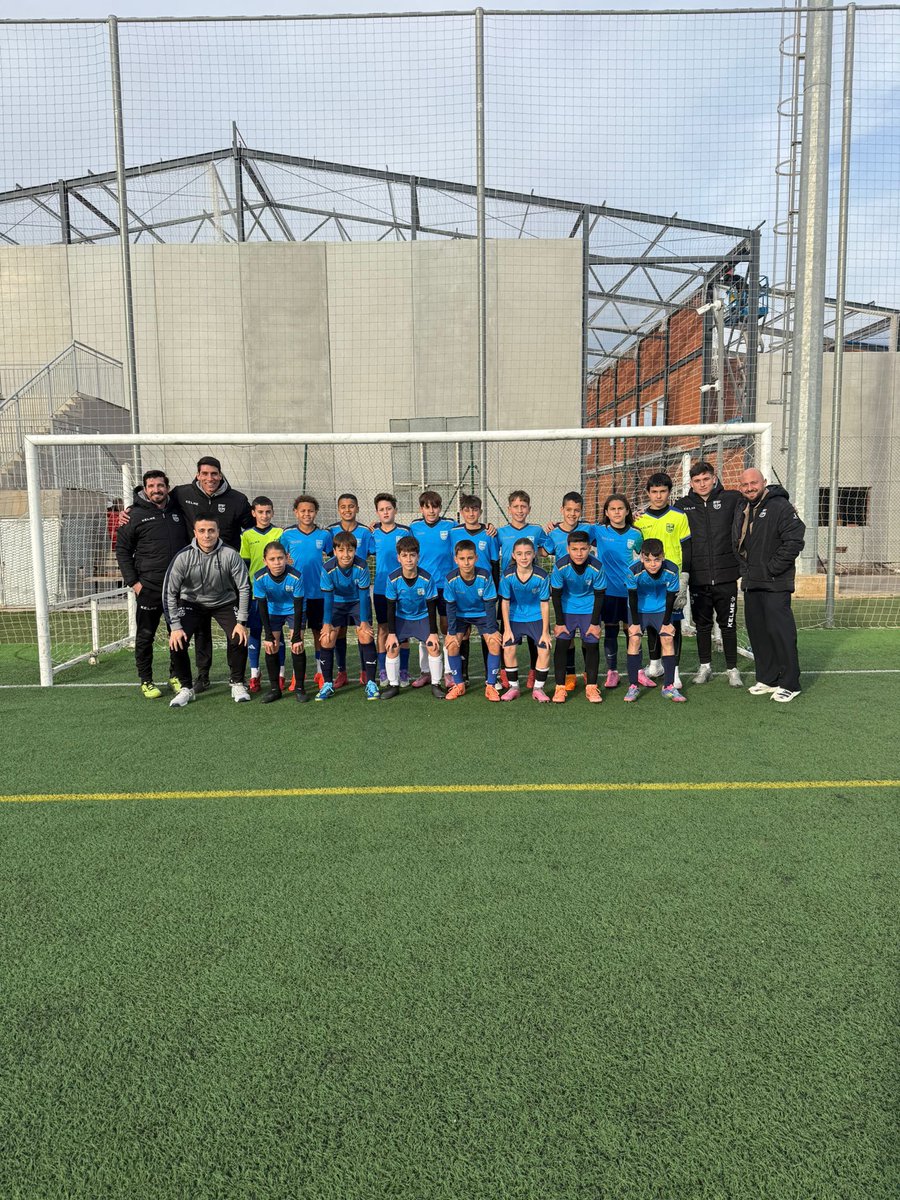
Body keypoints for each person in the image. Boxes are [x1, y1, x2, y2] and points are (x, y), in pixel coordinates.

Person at [114, 469, 189, 698]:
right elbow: (122, 550)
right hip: (149, 588)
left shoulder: (179, 511)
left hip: (177, 589)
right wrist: (134, 584)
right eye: (151, 486)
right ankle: (146, 680)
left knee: (177, 634)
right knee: (145, 635)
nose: (156, 490)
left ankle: (176, 675)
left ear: (167, 487)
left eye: (160, 485)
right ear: (145, 489)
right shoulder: (134, 515)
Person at [733, 468, 805, 702]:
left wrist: (772, 568)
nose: (749, 487)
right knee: (758, 632)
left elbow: (795, 539)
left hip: (775, 582)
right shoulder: (742, 507)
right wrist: (746, 570)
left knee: (780, 632)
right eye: (745, 484)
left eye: (754, 483)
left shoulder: (779, 506)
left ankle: (790, 683)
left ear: (764, 482)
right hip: (752, 582)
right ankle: (768, 678)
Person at [164, 517, 251, 707]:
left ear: (218, 532)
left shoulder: (230, 554)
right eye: (202, 530)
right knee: (177, 639)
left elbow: (244, 587)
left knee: (239, 636)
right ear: (195, 533)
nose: (207, 535)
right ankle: (186, 688)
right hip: (192, 603)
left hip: (224, 602)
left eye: (211, 530)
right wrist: (175, 626)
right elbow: (169, 592)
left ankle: (237, 682)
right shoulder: (183, 556)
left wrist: (241, 621)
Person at [679, 461, 743, 688]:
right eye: (697, 481)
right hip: (698, 577)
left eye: (706, 479)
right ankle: (705, 666)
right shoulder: (682, 505)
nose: (702, 484)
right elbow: (663, 518)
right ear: (691, 483)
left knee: (728, 624)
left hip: (726, 575)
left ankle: (732, 669)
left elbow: (759, 497)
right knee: (702, 625)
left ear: (714, 478)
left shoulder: (732, 499)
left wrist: (782, 499)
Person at [634, 473, 691, 689]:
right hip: (648, 580)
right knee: (650, 623)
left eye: (663, 491)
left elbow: (687, 547)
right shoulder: (640, 520)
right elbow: (636, 548)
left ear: (669, 492)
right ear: (648, 493)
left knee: (672, 624)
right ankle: (655, 664)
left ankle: (673, 671)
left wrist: (684, 575)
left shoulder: (679, 516)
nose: (658, 496)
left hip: (672, 579)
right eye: (654, 492)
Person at [541, 491, 596, 692]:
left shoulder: (588, 529)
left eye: (577, 510)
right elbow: (543, 551)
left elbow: (609, 531)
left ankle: (589, 675)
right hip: (564, 594)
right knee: (567, 636)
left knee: (587, 634)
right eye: (569, 510)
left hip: (586, 591)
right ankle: (570, 674)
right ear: (562, 510)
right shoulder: (553, 533)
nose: (572, 514)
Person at [315, 531, 379, 701]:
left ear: (355, 551)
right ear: (334, 551)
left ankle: (371, 682)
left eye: (350, 550)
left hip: (358, 601)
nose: (346, 555)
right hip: (336, 603)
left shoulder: (362, 566)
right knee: (326, 638)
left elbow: (365, 596)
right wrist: (327, 623)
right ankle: (327, 684)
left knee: (366, 635)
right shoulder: (328, 568)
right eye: (341, 550)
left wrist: (364, 622)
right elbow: (328, 598)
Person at [280, 495, 333, 692]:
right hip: (296, 595)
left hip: (318, 593)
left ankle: (320, 672)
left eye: (310, 511)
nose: (307, 514)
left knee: (320, 634)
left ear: (316, 512)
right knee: (297, 635)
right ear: (296, 512)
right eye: (303, 511)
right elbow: (279, 557)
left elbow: (332, 556)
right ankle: (297, 676)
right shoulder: (288, 535)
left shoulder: (324, 535)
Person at [382, 535, 444, 700]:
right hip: (401, 617)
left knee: (433, 646)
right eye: (404, 555)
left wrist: (433, 632)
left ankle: (436, 684)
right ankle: (393, 685)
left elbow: (432, 607)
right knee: (392, 647)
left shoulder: (427, 578)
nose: (408, 559)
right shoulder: (392, 579)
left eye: (412, 555)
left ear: (418, 556)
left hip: (422, 617)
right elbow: (390, 606)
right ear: (398, 558)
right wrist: (392, 633)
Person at [624, 539, 685, 703]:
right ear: (642, 557)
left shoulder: (672, 570)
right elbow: (632, 596)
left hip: (661, 609)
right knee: (634, 639)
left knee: (667, 638)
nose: (653, 564)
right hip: (638, 609)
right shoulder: (632, 570)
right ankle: (633, 686)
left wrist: (667, 622)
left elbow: (671, 597)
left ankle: (669, 687)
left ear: (663, 557)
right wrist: (635, 624)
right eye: (648, 559)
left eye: (657, 559)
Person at [549, 530, 606, 704]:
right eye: (575, 549)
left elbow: (600, 595)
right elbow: (556, 595)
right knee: (562, 643)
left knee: (591, 643)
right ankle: (560, 687)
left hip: (589, 608)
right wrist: (559, 623)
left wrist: (595, 623)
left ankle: (591, 686)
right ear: (568, 549)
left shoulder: (596, 566)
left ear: (589, 548)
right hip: (567, 608)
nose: (579, 553)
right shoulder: (560, 566)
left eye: (583, 549)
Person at [497, 489, 546, 689]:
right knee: (506, 633)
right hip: (509, 588)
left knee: (535, 634)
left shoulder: (536, 530)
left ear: (529, 509)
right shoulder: (499, 532)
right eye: (516, 507)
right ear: (509, 509)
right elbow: (493, 556)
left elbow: (547, 548)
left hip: (531, 588)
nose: (519, 510)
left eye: (523, 506)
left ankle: (534, 672)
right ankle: (504, 674)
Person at [593, 493, 643, 689]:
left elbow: (641, 555)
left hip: (630, 590)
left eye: (620, 508)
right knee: (611, 629)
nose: (616, 512)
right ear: (606, 512)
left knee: (632, 631)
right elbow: (576, 530)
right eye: (612, 509)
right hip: (609, 590)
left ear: (627, 511)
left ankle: (637, 670)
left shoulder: (636, 534)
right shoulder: (599, 531)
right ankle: (612, 672)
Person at [442, 540, 502, 702]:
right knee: (452, 644)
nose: (466, 562)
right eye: (462, 558)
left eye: (470, 558)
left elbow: (490, 604)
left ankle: (490, 685)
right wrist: (451, 632)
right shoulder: (450, 579)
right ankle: (459, 684)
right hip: (461, 615)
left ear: (476, 558)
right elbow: (451, 608)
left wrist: (492, 629)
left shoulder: (485, 576)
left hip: (482, 614)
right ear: (456, 560)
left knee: (495, 642)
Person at [328, 493, 376, 689]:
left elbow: (375, 551)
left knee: (363, 631)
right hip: (338, 595)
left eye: (351, 506)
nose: (347, 510)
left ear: (357, 508)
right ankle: (342, 671)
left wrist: (378, 528)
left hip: (359, 594)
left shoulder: (366, 532)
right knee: (337, 633)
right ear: (338, 509)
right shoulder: (329, 532)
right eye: (343, 507)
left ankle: (365, 671)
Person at [410, 490, 457, 687]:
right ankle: (426, 671)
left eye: (435, 506)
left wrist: (489, 527)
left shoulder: (451, 526)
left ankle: (448, 672)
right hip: (423, 587)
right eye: (427, 507)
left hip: (445, 586)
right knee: (426, 629)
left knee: (446, 627)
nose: (431, 511)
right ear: (421, 508)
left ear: (440, 508)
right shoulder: (414, 527)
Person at [239, 496, 284, 693]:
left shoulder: (280, 533)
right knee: (256, 631)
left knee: (277, 632)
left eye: (268, 512)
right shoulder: (247, 535)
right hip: (256, 593)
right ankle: (255, 674)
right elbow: (245, 565)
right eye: (260, 512)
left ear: (272, 512)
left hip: (278, 592)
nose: (264, 516)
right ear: (253, 513)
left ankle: (281, 674)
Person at [253, 541, 307, 704]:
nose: (277, 563)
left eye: (280, 558)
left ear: (287, 558)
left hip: (294, 611)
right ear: (265, 561)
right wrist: (268, 635)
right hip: (273, 611)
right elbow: (261, 607)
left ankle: (299, 688)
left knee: (297, 647)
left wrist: (296, 636)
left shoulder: (296, 576)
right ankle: (275, 689)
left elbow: (298, 607)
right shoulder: (259, 578)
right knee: (271, 647)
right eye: (272, 559)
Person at [499, 538, 552, 702]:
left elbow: (544, 605)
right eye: (520, 554)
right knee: (508, 648)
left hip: (535, 616)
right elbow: (505, 603)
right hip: (514, 616)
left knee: (544, 648)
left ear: (534, 554)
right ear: (513, 555)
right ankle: (514, 687)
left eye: (528, 553)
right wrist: (507, 629)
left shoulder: (542, 576)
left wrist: (545, 632)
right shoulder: (507, 576)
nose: (524, 557)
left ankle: (538, 688)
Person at [370, 492, 411, 686]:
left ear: (395, 510)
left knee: (402, 629)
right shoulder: (373, 533)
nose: (385, 512)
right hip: (380, 588)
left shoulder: (405, 532)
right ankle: (383, 670)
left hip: (403, 589)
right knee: (383, 628)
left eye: (388, 508)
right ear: (377, 512)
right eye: (381, 510)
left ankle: (403, 670)